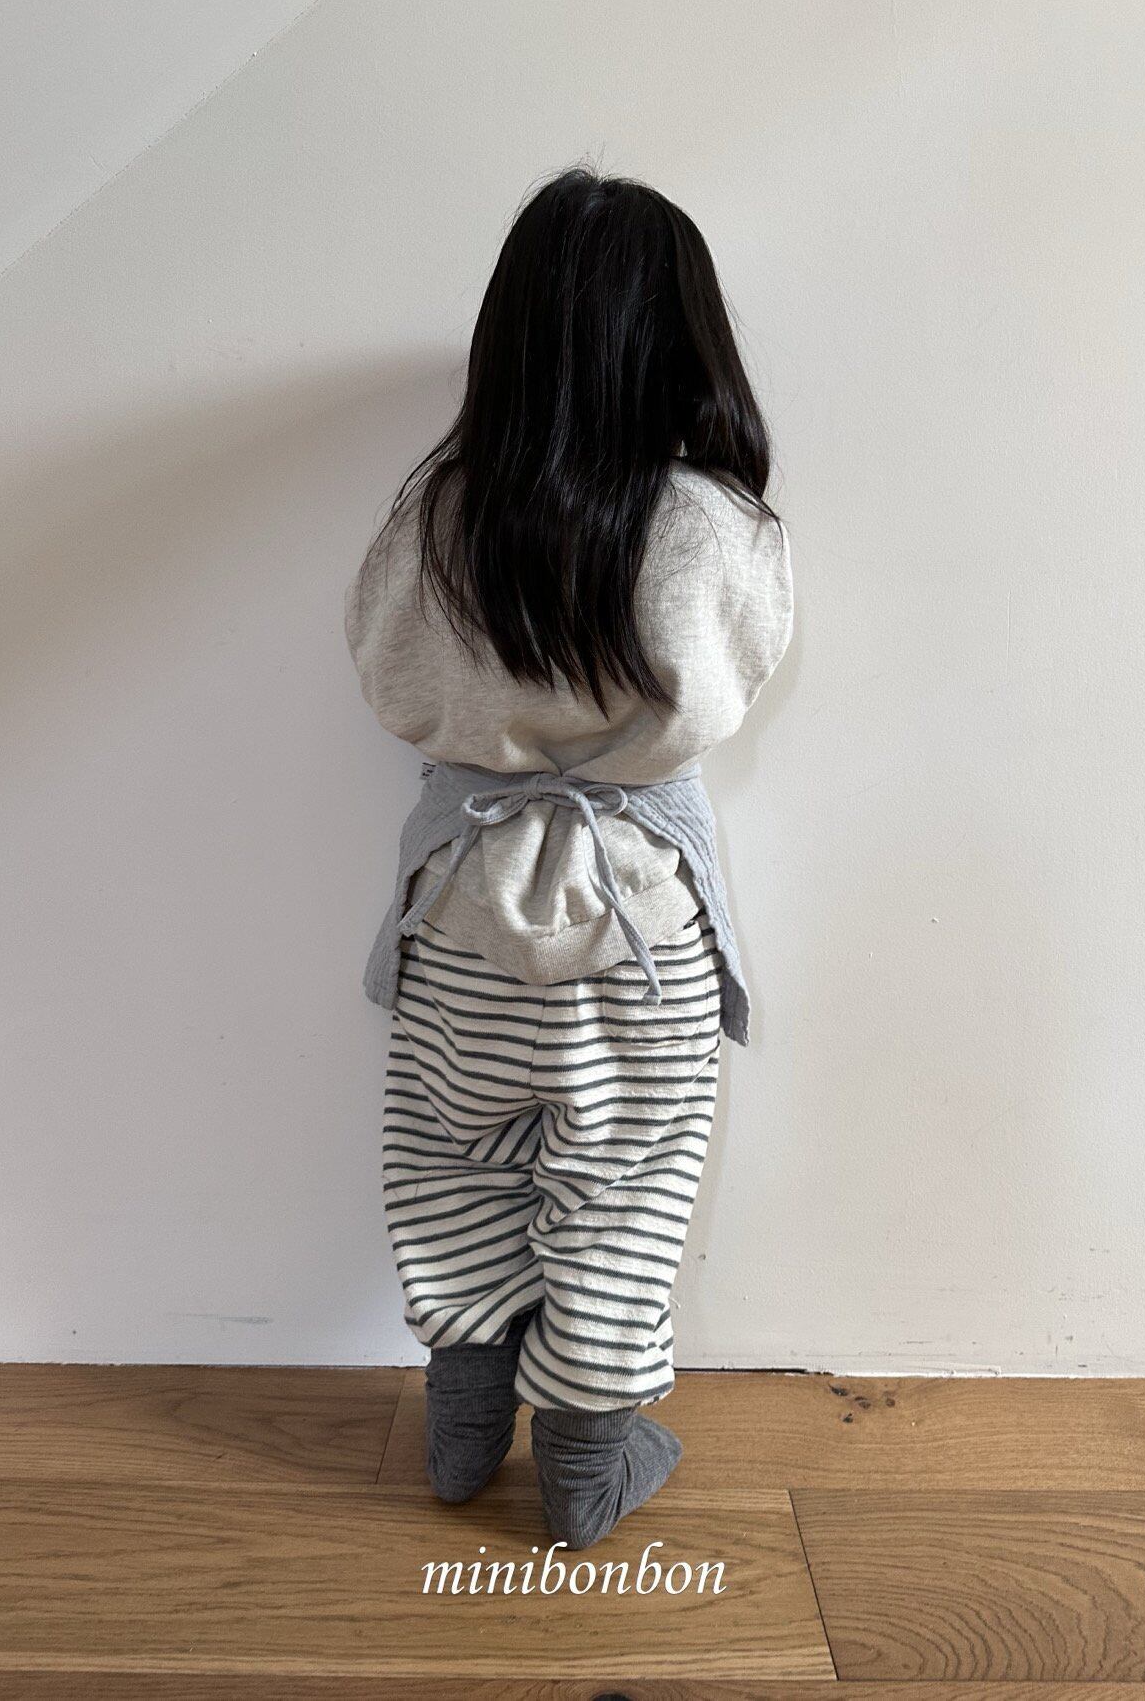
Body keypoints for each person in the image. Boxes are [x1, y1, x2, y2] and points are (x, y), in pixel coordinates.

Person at [344, 166, 793, 1548]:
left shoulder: (440, 511)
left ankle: (461, 1429)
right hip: (637, 928)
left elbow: (387, 670)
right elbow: (733, 682)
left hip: (461, 916)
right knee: (623, 1189)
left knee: (451, 1162)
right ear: (682, 337)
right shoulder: (712, 525)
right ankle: (589, 1458)